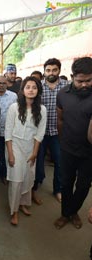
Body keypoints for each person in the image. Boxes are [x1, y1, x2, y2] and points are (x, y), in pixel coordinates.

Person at [54, 56, 92, 230]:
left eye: (89, 80)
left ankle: (73, 211)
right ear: (72, 77)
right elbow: (60, 119)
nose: (85, 84)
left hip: (89, 153)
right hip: (68, 149)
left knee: (83, 186)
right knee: (66, 183)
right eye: (80, 81)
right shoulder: (62, 95)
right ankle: (65, 214)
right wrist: (63, 141)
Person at [5, 76, 47, 225]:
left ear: (38, 90)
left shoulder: (42, 109)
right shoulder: (14, 107)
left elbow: (40, 133)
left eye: (34, 87)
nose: (31, 90)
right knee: (16, 179)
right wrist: (10, 154)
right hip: (15, 145)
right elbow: (8, 131)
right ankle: (14, 211)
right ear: (22, 90)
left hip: (31, 147)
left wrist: (35, 152)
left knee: (28, 177)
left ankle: (23, 204)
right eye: (28, 87)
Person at [32, 58, 68, 204]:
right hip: (39, 133)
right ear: (44, 71)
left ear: (59, 70)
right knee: (37, 162)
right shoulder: (37, 87)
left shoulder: (67, 87)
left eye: (54, 70)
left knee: (60, 163)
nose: (51, 73)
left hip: (59, 133)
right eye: (48, 70)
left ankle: (58, 190)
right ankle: (34, 188)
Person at [0, 75, 17, 184]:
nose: (1, 85)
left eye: (4, 83)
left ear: (7, 84)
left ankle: (6, 175)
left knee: (8, 154)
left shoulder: (13, 96)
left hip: (10, 132)